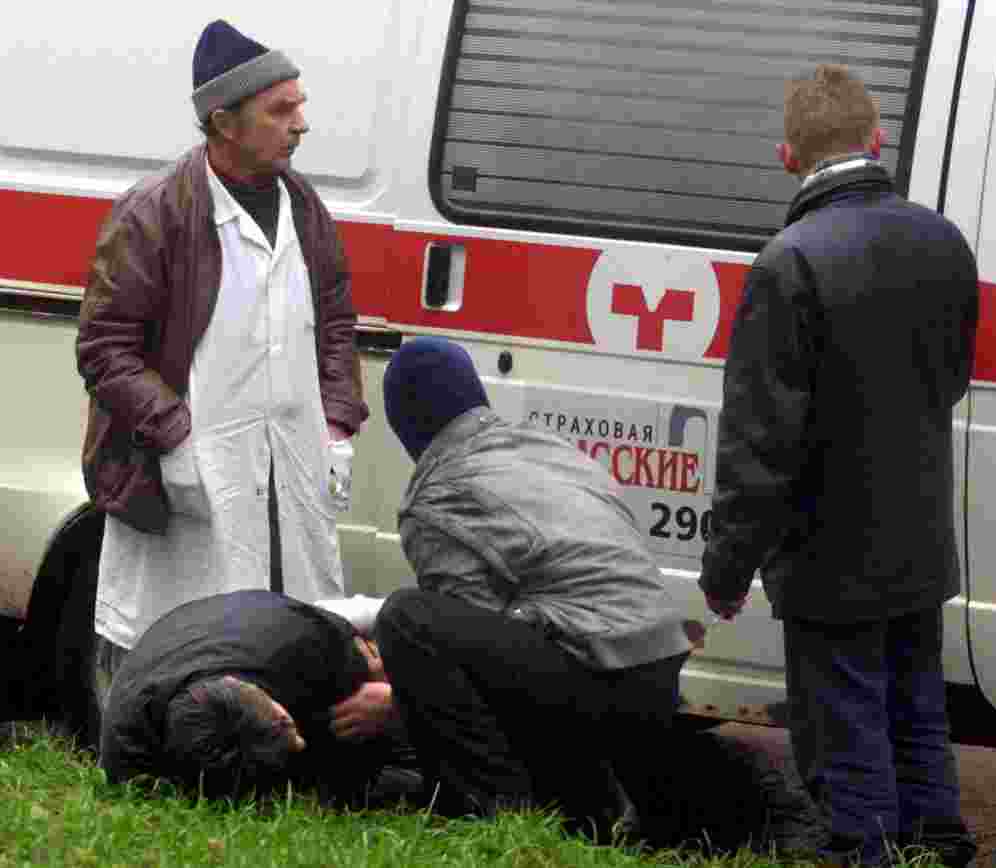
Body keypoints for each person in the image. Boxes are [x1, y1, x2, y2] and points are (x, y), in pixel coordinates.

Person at [698, 65, 979, 867]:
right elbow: (949, 380)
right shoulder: (942, 239)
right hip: (920, 542)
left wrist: (725, 569)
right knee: (917, 707)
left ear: (789, 155)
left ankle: (866, 852)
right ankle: (941, 844)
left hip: (830, 554)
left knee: (847, 721)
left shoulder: (788, 262)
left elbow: (759, 446)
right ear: (878, 136)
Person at [76, 20, 368, 690]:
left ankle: (279, 759)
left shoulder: (306, 207)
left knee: (289, 623)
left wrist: (337, 423)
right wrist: (173, 437)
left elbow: (335, 324)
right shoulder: (155, 213)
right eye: (281, 109)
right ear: (224, 122)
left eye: (300, 105)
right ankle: (151, 747)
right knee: (173, 629)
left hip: (289, 458)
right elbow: (105, 347)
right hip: (189, 466)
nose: (301, 124)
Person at [323, 336, 693, 846]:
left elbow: (465, 650)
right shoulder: (550, 450)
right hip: (658, 670)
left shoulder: (436, 494)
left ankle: (491, 814)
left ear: (407, 423)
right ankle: (586, 807)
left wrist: (395, 700)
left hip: (595, 668)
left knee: (409, 619)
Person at [99, 589, 417, 804]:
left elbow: (374, 679)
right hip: (192, 643)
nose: (300, 741)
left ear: (252, 691)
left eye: (286, 728)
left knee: (385, 751)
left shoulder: (307, 644)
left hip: (268, 627)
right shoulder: (126, 745)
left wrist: (395, 699)